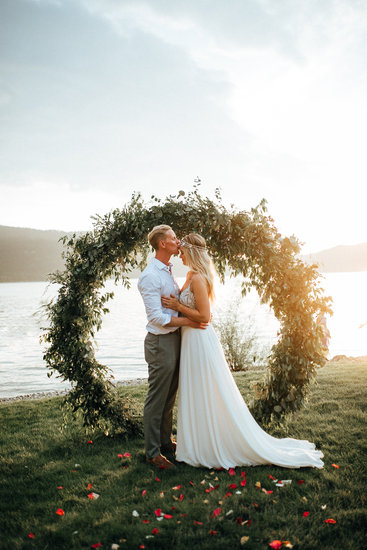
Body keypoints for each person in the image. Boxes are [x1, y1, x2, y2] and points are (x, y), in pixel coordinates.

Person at [161, 233, 324, 469]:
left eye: (183, 252)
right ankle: (196, 443)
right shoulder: (190, 275)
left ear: (192, 253)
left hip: (199, 340)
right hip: (190, 338)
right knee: (195, 389)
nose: (180, 255)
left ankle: (209, 445)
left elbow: (205, 317)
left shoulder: (198, 278)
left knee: (206, 389)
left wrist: (177, 305)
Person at [138, 225, 207, 469]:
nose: (177, 241)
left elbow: (174, 303)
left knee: (169, 397)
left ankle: (166, 443)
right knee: (157, 398)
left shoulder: (168, 271)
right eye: (173, 238)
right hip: (160, 342)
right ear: (162, 244)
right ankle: (152, 452)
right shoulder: (150, 276)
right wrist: (189, 320)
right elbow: (156, 317)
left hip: (176, 339)